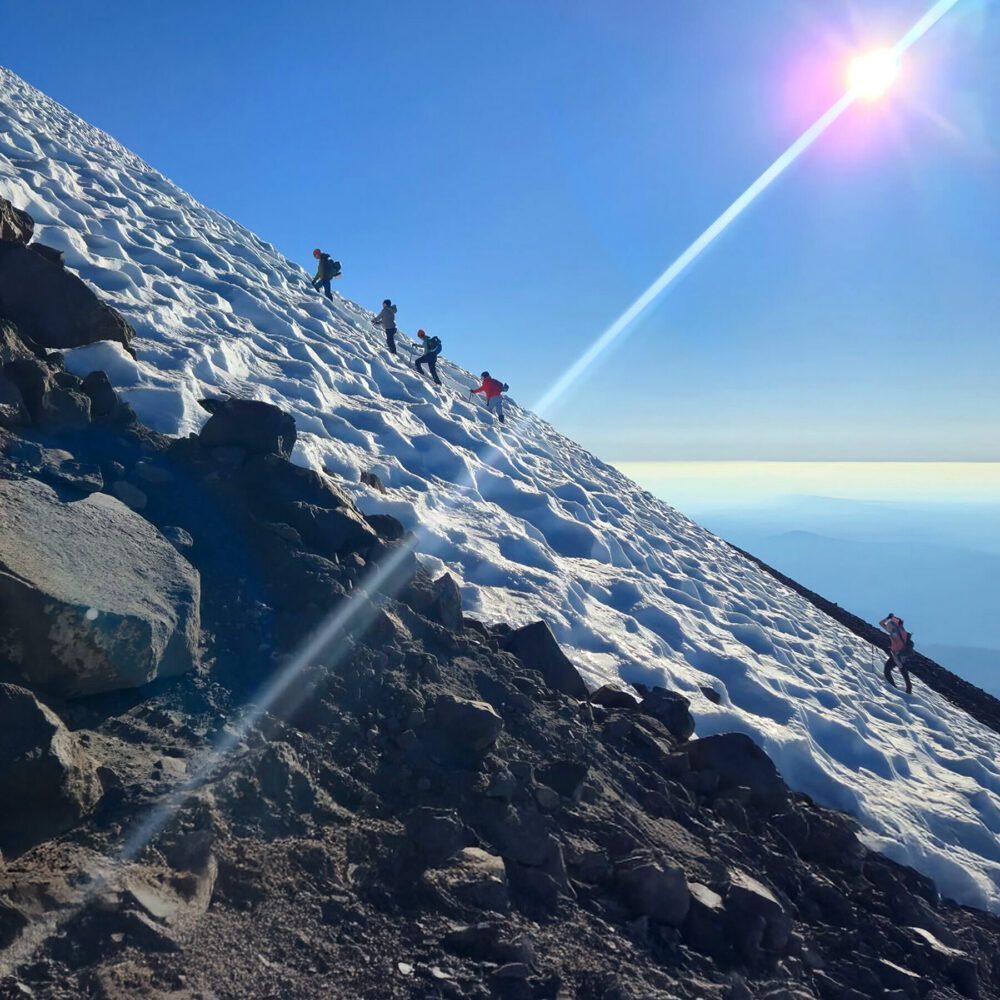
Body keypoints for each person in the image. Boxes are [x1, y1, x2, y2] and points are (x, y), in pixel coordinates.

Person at [880, 612, 914, 694]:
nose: (888, 627)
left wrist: (888, 618)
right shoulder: (901, 630)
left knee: (887, 670)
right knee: (903, 670)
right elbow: (899, 621)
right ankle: (908, 689)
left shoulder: (895, 633)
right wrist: (891, 618)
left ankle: (894, 688)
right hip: (902, 654)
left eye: (889, 626)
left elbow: (881, 624)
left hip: (898, 655)